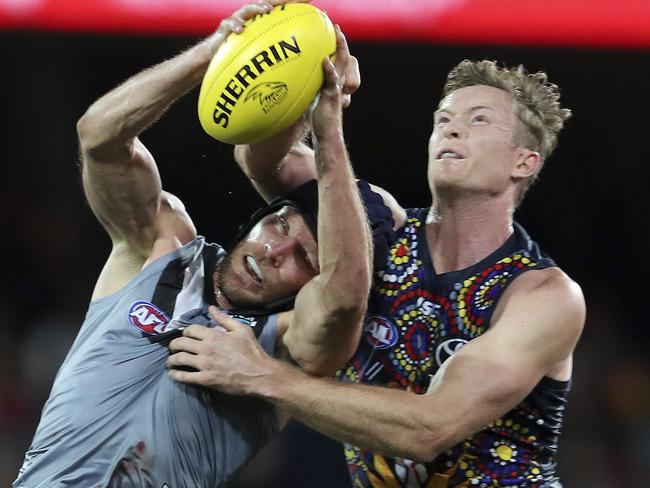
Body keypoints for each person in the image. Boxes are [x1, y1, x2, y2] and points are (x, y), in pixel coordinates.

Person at [168, 59, 586, 487]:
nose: (451, 129)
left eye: (478, 120)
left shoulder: (542, 296)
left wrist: (260, 374)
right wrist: (308, 84)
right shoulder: (379, 232)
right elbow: (265, 160)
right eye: (443, 119)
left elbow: (431, 428)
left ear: (524, 162)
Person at [14, 1, 375, 486]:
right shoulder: (160, 248)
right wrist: (213, 55)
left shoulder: (286, 349)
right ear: (258, 220)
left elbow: (346, 293)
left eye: (303, 259)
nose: (276, 251)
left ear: (310, 285)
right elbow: (99, 137)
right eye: (281, 228)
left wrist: (328, 127)